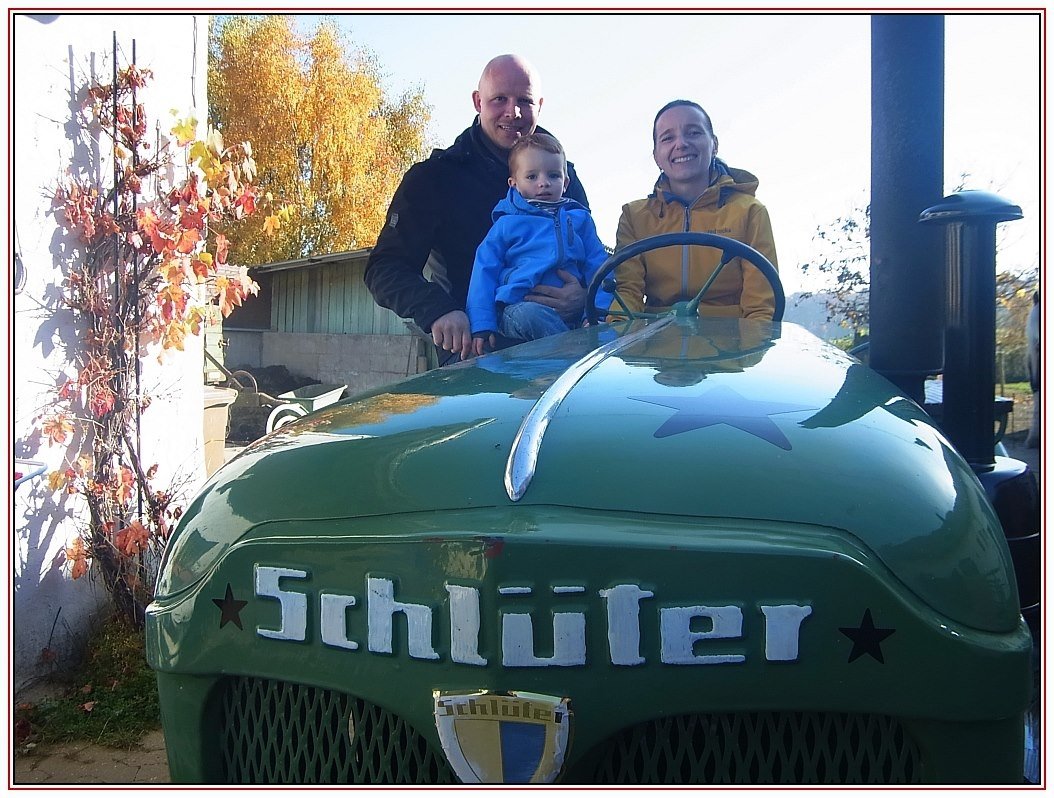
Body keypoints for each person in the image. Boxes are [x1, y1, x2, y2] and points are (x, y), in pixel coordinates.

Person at [364, 54, 590, 363]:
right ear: (477, 101)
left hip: (567, 337)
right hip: (476, 349)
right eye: (500, 99)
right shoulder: (434, 178)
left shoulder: (565, 178)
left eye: (524, 101)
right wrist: (438, 309)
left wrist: (585, 296)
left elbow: (591, 253)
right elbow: (385, 268)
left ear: (539, 105)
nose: (513, 112)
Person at [613, 99, 778, 319]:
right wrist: (617, 338)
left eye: (693, 133)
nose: (680, 144)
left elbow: (761, 308)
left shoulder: (749, 212)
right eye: (668, 138)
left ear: (714, 145)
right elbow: (626, 293)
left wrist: (752, 350)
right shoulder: (634, 217)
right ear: (656, 156)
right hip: (656, 344)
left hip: (731, 345)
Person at [466, 133, 613, 357]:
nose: (543, 182)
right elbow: (484, 271)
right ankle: (572, 358)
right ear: (514, 184)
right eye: (532, 176)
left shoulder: (579, 221)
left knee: (607, 332)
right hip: (518, 309)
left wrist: (594, 312)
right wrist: (482, 323)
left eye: (553, 175)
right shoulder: (507, 224)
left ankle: (578, 356)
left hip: (572, 315)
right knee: (531, 316)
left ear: (565, 182)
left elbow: (600, 268)